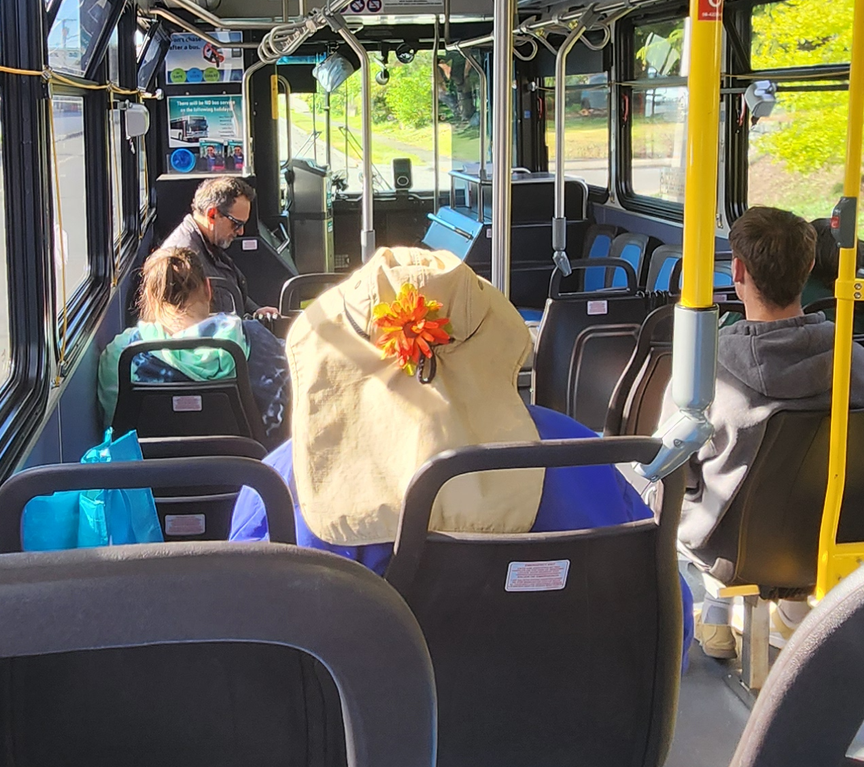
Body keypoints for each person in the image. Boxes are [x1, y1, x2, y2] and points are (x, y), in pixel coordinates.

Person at [229, 245, 650, 573]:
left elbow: (247, 640)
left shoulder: (280, 483)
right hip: (565, 684)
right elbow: (664, 623)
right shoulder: (582, 454)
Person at [663, 204, 864, 660]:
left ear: (738, 271)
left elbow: (670, 464)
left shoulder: (708, 368)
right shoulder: (854, 359)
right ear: (809, 269)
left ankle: (717, 609)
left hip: (730, 545)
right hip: (831, 530)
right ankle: (793, 612)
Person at [97, 247, 290, 442]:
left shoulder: (121, 353)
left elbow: (114, 430)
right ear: (208, 288)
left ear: (150, 298)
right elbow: (282, 421)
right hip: (244, 468)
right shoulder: (257, 338)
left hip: (149, 470)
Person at [157, 175, 277, 323]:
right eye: (236, 224)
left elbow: (230, 293)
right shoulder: (182, 260)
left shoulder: (208, 241)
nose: (241, 232)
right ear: (212, 215)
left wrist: (255, 311)